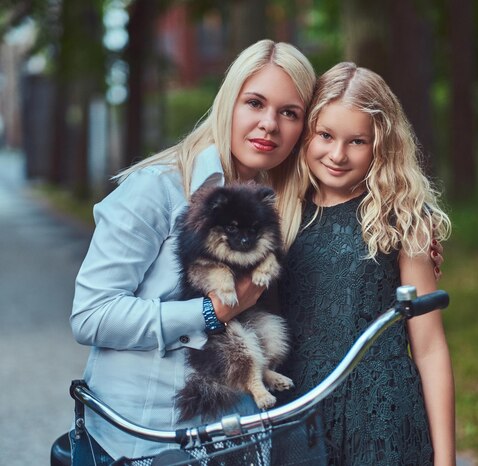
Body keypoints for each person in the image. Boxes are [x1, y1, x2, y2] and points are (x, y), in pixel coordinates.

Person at [69, 39, 316, 464]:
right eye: (254, 102)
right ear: (227, 103)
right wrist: (208, 313)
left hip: (237, 434)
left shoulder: (278, 207)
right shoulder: (158, 188)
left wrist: (413, 232)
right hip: (145, 440)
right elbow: (90, 316)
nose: (269, 124)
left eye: (289, 112)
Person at [277, 62, 455, 465]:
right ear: (307, 133)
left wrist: (446, 460)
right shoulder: (281, 211)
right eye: (325, 135)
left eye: (357, 141)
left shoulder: (401, 219)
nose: (337, 154)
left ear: (382, 145)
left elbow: (429, 347)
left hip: (381, 418)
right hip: (297, 412)